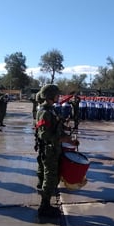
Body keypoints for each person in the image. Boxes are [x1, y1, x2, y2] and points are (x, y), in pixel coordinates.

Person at [35, 84, 78, 217]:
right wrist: (64, 140)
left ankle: (45, 201)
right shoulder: (44, 112)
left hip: (54, 148)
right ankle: (44, 207)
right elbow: (44, 135)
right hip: (49, 149)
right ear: (50, 96)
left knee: (50, 176)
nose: (58, 97)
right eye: (56, 95)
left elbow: (55, 127)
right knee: (50, 177)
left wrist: (65, 130)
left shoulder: (51, 110)